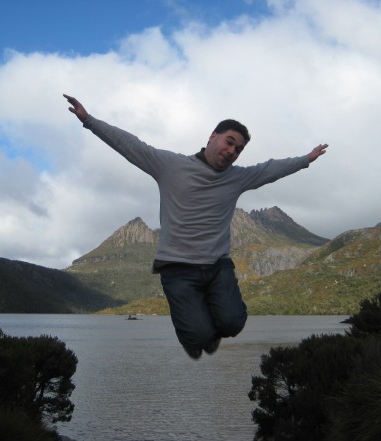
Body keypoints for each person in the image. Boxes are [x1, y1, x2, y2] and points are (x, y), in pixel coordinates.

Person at [64, 94, 328, 359]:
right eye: (229, 142)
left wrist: (306, 159)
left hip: (217, 267)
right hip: (177, 270)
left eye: (238, 150)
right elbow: (131, 146)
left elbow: (271, 169)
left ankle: (205, 324)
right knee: (198, 341)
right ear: (213, 136)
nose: (232, 152)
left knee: (234, 323)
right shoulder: (171, 166)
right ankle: (196, 334)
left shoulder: (238, 178)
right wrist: (89, 121)